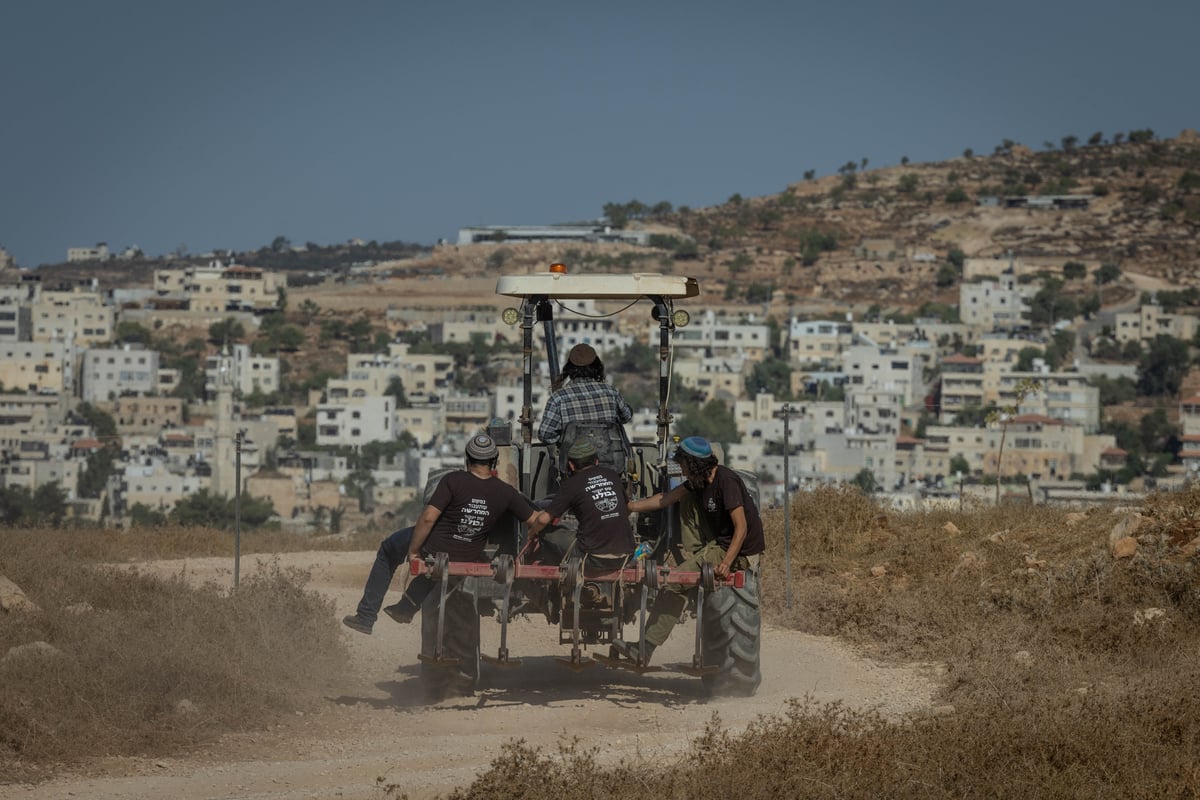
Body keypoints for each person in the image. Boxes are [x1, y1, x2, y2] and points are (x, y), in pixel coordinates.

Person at [342, 433, 545, 635]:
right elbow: (537, 520)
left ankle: (366, 617)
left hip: (435, 547)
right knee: (439, 562)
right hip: (468, 553)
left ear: (467, 459)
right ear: (494, 462)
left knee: (388, 549)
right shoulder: (506, 492)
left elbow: (428, 518)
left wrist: (414, 551)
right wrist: (535, 532)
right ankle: (405, 607)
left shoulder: (453, 480)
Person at [621, 436, 765, 663]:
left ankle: (644, 649)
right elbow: (665, 499)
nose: (682, 471)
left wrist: (726, 563)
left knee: (675, 583)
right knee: (685, 499)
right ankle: (697, 555)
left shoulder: (726, 481)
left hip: (737, 550)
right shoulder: (698, 482)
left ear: (693, 464)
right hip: (718, 543)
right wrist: (629, 507)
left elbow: (741, 527)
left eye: (684, 465)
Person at [531, 437, 637, 564]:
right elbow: (627, 508)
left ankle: (552, 571)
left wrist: (531, 532)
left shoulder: (571, 485)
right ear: (596, 461)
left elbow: (543, 520)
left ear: (571, 465)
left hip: (592, 558)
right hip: (626, 556)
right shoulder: (612, 475)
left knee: (546, 532)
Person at [537, 343, 633, 445]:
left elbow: (545, 434)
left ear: (569, 368)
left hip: (573, 460)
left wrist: (564, 438)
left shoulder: (558, 399)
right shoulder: (611, 392)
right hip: (610, 459)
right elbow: (625, 417)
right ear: (597, 366)